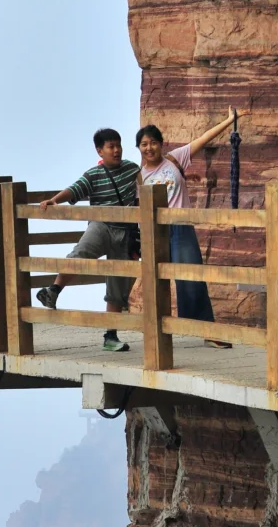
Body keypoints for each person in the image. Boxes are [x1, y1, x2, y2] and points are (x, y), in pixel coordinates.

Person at [136, 112, 237, 347]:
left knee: (191, 279)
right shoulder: (139, 177)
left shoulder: (174, 159)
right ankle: (157, 338)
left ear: (161, 144)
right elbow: (138, 209)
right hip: (154, 232)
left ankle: (207, 332)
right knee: (154, 283)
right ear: (139, 148)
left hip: (180, 227)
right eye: (144, 144)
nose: (149, 148)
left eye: (153, 142)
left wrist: (231, 120)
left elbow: (204, 139)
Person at [36, 128, 140, 352]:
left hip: (127, 232)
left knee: (117, 286)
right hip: (101, 226)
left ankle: (110, 336)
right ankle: (53, 291)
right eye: (111, 146)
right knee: (80, 254)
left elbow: (147, 185)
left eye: (118, 145)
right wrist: (55, 200)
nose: (116, 150)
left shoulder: (132, 169)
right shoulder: (94, 174)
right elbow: (75, 189)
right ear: (99, 150)